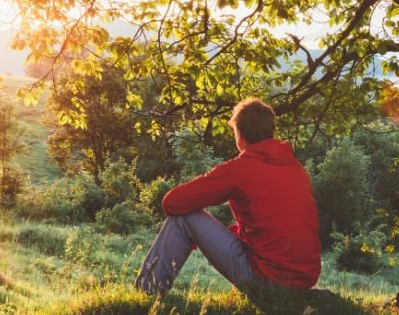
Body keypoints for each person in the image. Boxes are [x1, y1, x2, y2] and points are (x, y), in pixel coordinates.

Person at [135, 97, 321, 296]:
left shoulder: (240, 169)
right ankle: (147, 292)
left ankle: (146, 293)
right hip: (304, 279)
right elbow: (273, 225)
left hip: (267, 278)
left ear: (239, 135)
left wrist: (200, 231)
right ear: (270, 131)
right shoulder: (295, 168)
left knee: (184, 217)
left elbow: (172, 202)